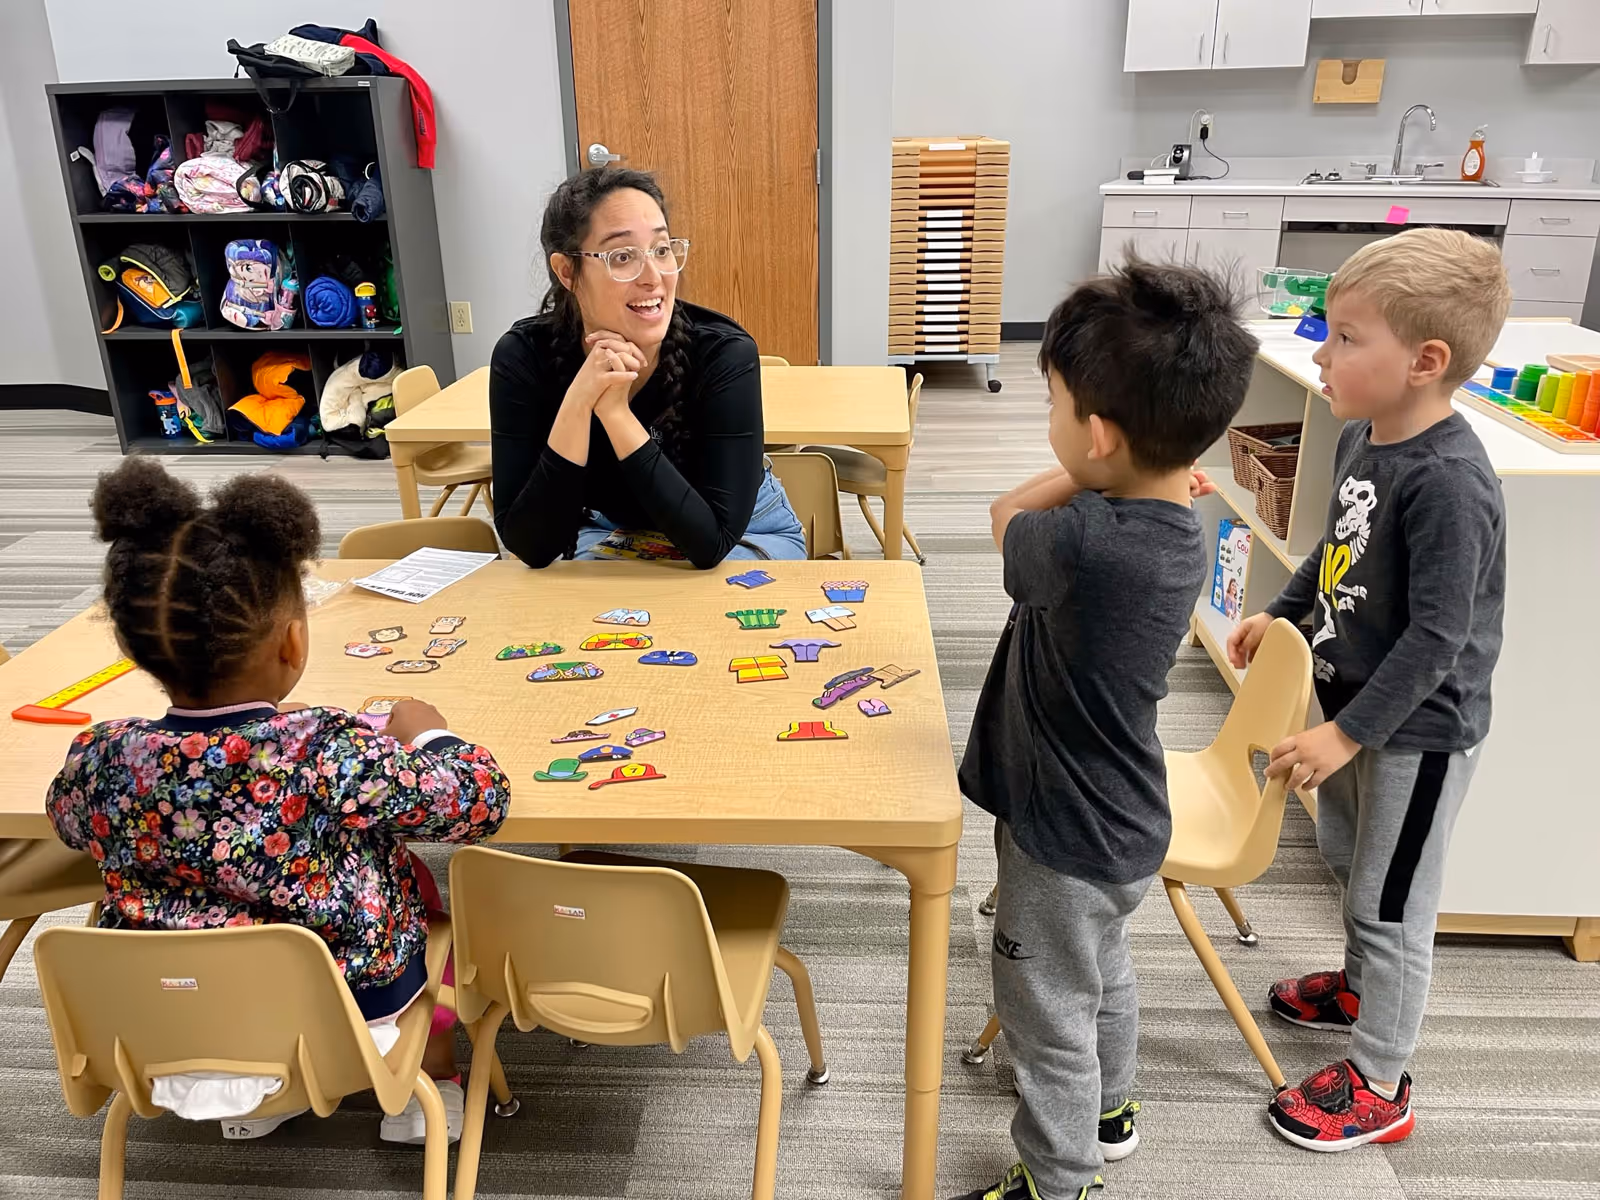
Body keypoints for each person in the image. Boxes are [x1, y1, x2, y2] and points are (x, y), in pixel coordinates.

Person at [46, 458, 510, 1145]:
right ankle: (427, 1085)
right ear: (294, 639)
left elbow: (67, 821)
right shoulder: (321, 747)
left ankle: (258, 1100)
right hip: (344, 1021)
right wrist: (431, 735)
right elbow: (478, 802)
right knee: (420, 889)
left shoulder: (101, 756)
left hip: (165, 1025)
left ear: (135, 647)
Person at [956, 259, 1257, 1200]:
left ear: (1096, 433)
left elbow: (1004, 514)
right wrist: (1128, 463)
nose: (1048, 426)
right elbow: (1103, 481)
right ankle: (1112, 1109)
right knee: (1104, 971)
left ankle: (1060, 1179)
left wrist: (1073, 474)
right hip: (1126, 818)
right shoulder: (1177, 522)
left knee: (1043, 1013)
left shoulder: (1084, 541)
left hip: (1062, 832)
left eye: (1053, 407)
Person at [1228, 227, 1511, 1152]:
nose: (1322, 351)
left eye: (1348, 338)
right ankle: (1357, 985)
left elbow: (1440, 637)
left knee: (1392, 902)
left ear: (1426, 361)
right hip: (1353, 701)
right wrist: (1283, 613)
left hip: (1416, 728)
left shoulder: (1451, 483)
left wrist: (1346, 735)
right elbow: (1331, 554)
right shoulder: (1364, 437)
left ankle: (1381, 1078)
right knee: (1355, 870)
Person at [490, 167, 806, 569]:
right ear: (567, 271)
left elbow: (711, 544)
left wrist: (615, 412)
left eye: (661, 249)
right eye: (622, 256)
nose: (654, 277)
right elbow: (531, 548)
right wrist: (579, 401)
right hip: (609, 530)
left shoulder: (725, 354)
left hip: (741, 532)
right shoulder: (523, 356)